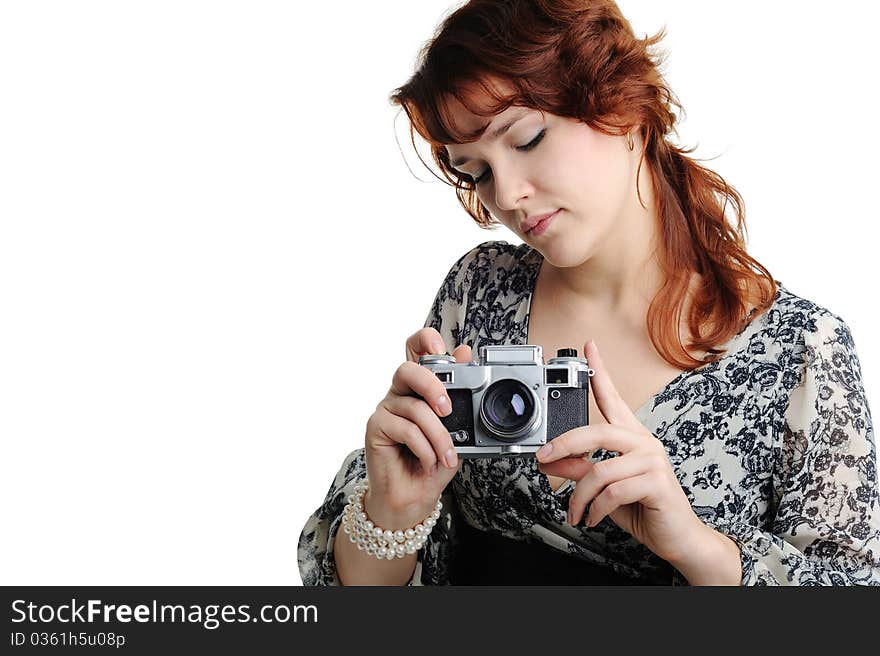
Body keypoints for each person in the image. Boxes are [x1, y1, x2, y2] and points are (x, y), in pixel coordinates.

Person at [298, 0, 880, 585]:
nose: (508, 194)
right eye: (475, 171)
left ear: (621, 105)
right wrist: (394, 509)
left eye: (527, 138)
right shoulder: (480, 289)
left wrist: (696, 546)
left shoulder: (799, 350)